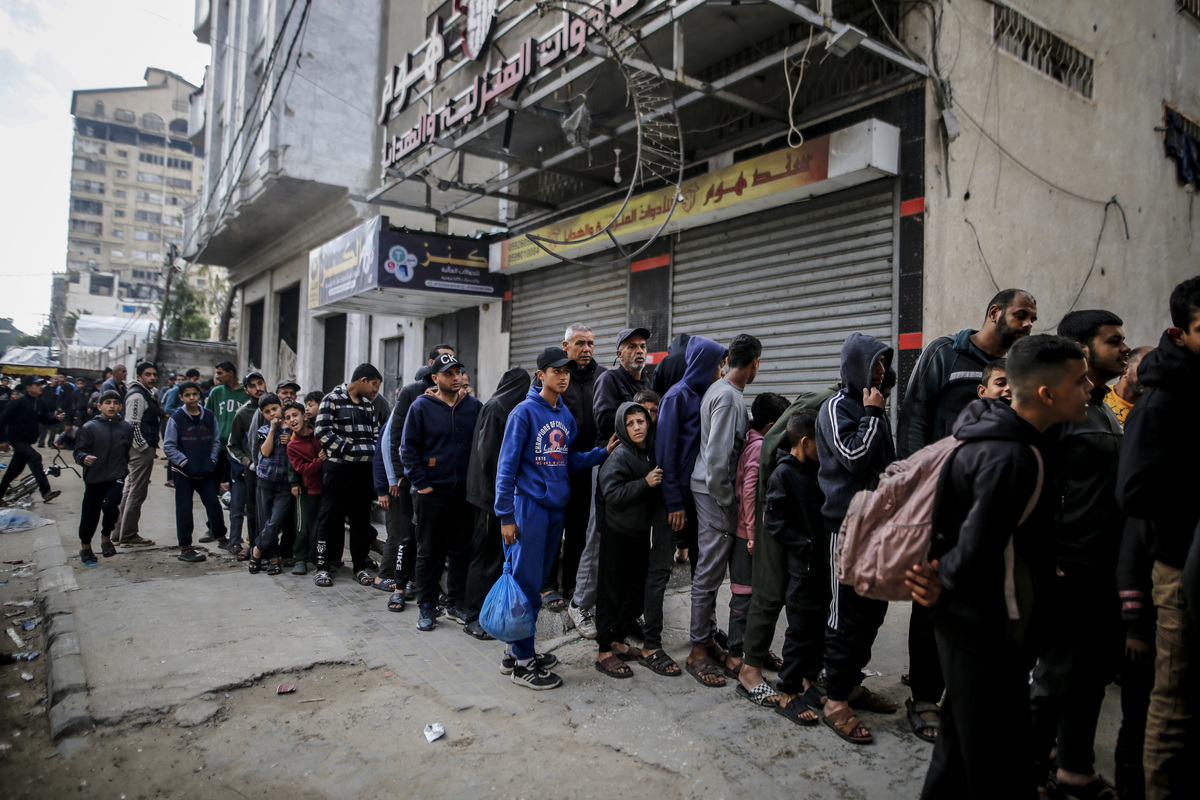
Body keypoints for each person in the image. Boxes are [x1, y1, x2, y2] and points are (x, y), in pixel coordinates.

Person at [922, 335, 1092, 799]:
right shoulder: (1012, 457)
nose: (1090, 389)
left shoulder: (995, 437)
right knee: (997, 765)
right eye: (1080, 381)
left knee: (958, 753)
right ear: (1047, 393)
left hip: (970, 621)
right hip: (985, 625)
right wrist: (942, 581)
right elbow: (975, 551)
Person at [896, 288, 1037, 742]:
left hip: (993, 498)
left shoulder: (1020, 364)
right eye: (1021, 315)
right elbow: (914, 415)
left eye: (1033, 318)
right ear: (994, 313)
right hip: (941, 497)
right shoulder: (945, 353)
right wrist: (914, 485)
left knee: (976, 592)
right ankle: (922, 695)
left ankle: (961, 688)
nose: (1028, 324)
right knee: (930, 589)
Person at [1029, 311, 1129, 797]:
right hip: (1069, 564)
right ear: (1081, 350)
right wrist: (1047, 554)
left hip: (1105, 566)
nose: (1124, 348)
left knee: (1091, 676)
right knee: (1054, 678)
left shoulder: (1102, 406)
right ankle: (1027, 773)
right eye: (1113, 341)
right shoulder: (1060, 410)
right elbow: (1034, 487)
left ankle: (1074, 766)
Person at [1116, 276, 1200, 800]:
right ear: (1181, 332)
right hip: (1179, 565)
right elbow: (1135, 494)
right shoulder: (1162, 404)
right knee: (1172, 700)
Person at [494, 347, 615, 689]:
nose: (563, 376)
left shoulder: (564, 416)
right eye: (556, 371)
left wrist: (602, 453)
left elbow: (568, 459)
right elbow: (506, 468)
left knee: (535, 580)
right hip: (528, 508)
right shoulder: (523, 413)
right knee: (527, 584)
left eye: (567, 372)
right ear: (541, 375)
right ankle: (522, 663)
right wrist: (506, 515)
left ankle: (516, 648)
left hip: (554, 509)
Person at [815, 332, 898, 744]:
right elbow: (853, 457)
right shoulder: (837, 408)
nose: (880, 373)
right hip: (846, 529)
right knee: (844, 616)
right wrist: (871, 415)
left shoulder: (875, 407)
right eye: (875, 364)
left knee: (873, 612)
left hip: (880, 529)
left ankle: (851, 683)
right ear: (856, 366)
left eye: (884, 364)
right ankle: (834, 700)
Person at [736, 384, 839, 702]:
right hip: (780, 510)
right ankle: (749, 669)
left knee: (807, 605)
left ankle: (806, 671)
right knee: (769, 591)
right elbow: (769, 452)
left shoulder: (844, 405)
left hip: (804, 512)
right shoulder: (826, 403)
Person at [686, 334, 761, 688]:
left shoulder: (719, 390)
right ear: (754, 363)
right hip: (714, 495)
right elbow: (717, 461)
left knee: (711, 572)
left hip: (709, 491)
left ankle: (708, 639)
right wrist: (730, 501)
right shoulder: (729, 398)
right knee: (709, 574)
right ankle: (698, 651)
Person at [567, 327, 651, 638]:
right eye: (631, 346)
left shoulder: (646, 381)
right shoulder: (610, 380)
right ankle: (579, 604)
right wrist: (634, 416)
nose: (638, 351)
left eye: (642, 346)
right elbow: (603, 422)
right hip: (608, 466)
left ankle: (621, 610)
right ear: (619, 353)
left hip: (639, 470)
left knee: (628, 542)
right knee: (598, 534)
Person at [400, 353, 483, 631]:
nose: (456, 377)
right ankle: (427, 604)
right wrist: (422, 485)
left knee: (461, 549)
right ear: (435, 378)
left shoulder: (473, 407)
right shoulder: (421, 407)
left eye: (459, 371)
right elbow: (408, 450)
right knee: (429, 551)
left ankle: (455, 601)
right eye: (449, 373)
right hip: (431, 494)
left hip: (463, 495)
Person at [764, 408, 826, 722]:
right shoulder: (784, 475)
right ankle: (787, 692)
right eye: (820, 441)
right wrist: (807, 547)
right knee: (800, 631)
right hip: (803, 567)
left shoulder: (816, 469)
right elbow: (774, 523)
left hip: (821, 566)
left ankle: (806, 682)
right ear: (803, 442)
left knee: (817, 628)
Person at [462, 366, 531, 637]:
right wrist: (503, 495)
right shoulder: (497, 407)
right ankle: (473, 616)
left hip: (491, 496)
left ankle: (487, 614)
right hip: (489, 497)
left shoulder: (500, 405)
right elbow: (490, 456)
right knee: (485, 557)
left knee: (492, 556)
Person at [594, 401, 661, 678]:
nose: (637, 427)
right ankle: (603, 651)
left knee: (635, 592)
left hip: (638, 532)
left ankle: (617, 640)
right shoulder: (620, 456)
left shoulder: (648, 452)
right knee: (611, 592)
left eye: (641, 421)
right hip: (617, 532)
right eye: (631, 423)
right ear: (623, 426)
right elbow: (612, 494)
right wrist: (644, 483)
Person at [727, 391, 789, 682]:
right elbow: (748, 492)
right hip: (746, 534)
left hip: (750, 532)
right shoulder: (758, 448)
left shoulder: (754, 441)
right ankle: (735, 654)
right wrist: (752, 534)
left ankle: (755, 649)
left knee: (758, 595)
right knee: (743, 596)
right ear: (771, 426)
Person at [544, 324, 605, 616]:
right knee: (553, 527)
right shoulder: (552, 378)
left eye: (591, 343)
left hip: (589, 465)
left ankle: (571, 584)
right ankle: (547, 584)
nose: (587, 349)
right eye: (580, 343)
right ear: (565, 345)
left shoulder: (603, 376)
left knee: (580, 528)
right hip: (556, 467)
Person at [385, 344, 454, 599]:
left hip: (440, 483)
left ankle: (427, 586)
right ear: (432, 365)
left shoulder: (456, 395)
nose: (450, 367)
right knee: (408, 536)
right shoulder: (413, 392)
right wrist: (399, 474)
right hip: (412, 480)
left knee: (433, 540)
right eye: (442, 360)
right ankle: (400, 585)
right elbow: (397, 435)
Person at [656, 336, 726, 575]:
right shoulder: (677, 397)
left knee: (702, 559)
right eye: (719, 365)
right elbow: (665, 454)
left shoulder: (707, 395)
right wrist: (674, 501)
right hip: (682, 494)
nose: (723, 370)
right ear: (705, 364)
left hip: (700, 491)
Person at [312, 363, 382, 588]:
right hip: (337, 470)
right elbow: (322, 431)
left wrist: (364, 451)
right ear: (362, 380)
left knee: (361, 521)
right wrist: (350, 448)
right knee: (329, 517)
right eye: (373, 385)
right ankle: (322, 566)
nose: (375, 391)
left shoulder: (368, 407)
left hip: (363, 473)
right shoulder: (332, 399)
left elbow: (376, 437)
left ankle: (359, 567)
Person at [162, 380, 227, 563]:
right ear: (181, 397)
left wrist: (212, 460)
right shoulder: (176, 418)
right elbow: (169, 447)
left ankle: (221, 538)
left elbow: (215, 440)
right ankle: (185, 549)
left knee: (214, 505)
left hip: (205, 470)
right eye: (188, 395)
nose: (192, 398)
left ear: (200, 395)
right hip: (183, 473)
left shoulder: (209, 415)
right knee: (184, 509)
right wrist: (184, 463)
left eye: (195, 394)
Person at [73, 390, 133, 565]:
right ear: (100, 406)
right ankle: (85, 546)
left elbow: (126, 451)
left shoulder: (126, 427)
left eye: (115, 403)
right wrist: (84, 458)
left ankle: (106, 536)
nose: (112, 406)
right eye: (107, 403)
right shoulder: (89, 427)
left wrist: (123, 469)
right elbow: (79, 451)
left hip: (116, 475)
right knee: (90, 513)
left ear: (121, 406)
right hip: (94, 477)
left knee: (111, 506)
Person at [114, 362, 160, 548]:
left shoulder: (144, 393)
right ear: (139, 377)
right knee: (137, 492)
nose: (152, 378)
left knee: (129, 491)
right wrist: (144, 448)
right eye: (148, 374)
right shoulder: (137, 395)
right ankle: (129, 535)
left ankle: (119, 532)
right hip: (140, 450)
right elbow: (132, 424)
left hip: (140, 449)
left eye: (154, 374)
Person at [248, 395, 293, 576]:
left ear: (281, 406)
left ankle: (257, 549)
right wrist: (272, 431)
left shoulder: (291, 429)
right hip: (265, 480)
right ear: (263, 414)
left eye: (274, 409)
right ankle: (274, 558)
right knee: (266, 520)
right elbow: (265, 452)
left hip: (285, 483)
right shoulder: (264, 430)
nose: (272, 413)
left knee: (275, 521)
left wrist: (289, 442)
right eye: (267, 412)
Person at [0, 376, 63, 504]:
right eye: (37, 385)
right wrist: (2, 440)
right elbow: (2, 420)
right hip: (16, 439)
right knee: (35, 457)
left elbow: (44, 420)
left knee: (13, 471)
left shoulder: (40, 403)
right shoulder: (18, 403)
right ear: (28, 387)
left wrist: (57, 419)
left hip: (28, 441)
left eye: (41, 385)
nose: (40, 387)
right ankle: (46, 492)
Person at [225, 371, 268, 557]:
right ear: (246, 390)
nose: (258, 388)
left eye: (260, 383)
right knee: (252, 510)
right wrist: (246, 461)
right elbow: (232, 445)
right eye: (253, 386)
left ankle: (271, 548)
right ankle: (254, 547)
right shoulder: (242, 413)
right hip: (254, 469)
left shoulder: (275, 407)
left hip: (276, 467)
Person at [286, 402, 324, 576]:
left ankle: (322, 559)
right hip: (307, 489)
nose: (292, 420)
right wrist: (319, 461)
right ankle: (300, 559)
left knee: (323, 526)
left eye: (295, 415)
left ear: (305, 416)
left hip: (328, 487)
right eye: (287, 418)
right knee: (303, 526)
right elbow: (303, 469)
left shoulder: (320, 433)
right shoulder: (292, 446)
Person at [205, 360, 250, 500]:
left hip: (238, 447)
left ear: (230, 373)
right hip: (218, 445)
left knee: (236, 482)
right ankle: (214, 519)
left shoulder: (246, 393)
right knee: (212, 483)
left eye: (220, 373)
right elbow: (207, 417)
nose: (217, 376)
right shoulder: (216, 392)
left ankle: (234, 511)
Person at [1104, 345, 1152, 426]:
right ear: (1126, 368)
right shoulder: (1099, 397)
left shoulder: (1153, 409)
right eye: (1145, 367)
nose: (1151, 375)